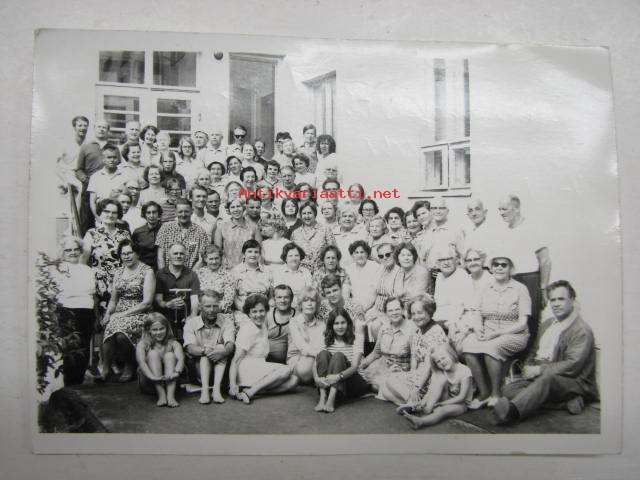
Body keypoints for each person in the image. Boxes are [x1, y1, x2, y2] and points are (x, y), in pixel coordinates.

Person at [493, 280, 599, 424]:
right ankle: (563, 403)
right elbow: (534, 350)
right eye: (552, 300)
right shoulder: (547, 324)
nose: (556, 304)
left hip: (574, 382)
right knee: (508, 390)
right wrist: (528, 366)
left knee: (547, 380)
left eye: (561, 299)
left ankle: (512, 413)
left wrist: (539, 370)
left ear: (572, 300)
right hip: (545, 376)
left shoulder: (581, 330)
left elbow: (572, 365)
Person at [461, 256, 531, 407]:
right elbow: (477, 312)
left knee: (491, 348)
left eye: (503, 265)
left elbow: (522, 323)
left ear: (510, 269)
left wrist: (498, 333)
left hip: (514, 334)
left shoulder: (520, 289)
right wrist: (478, 329)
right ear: (491, 268)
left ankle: (496, 394)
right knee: (467, 345)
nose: (499, 267)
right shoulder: (484, 288)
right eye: (496, 264)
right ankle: (484, 393)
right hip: (488, 332)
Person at [497, 194, 552, 345]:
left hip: (530, 280)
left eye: (504, 209)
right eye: (499, 209)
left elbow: (545, 260)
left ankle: (530, 355)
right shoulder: (505, 231)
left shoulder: (532, 228)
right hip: (511, 280)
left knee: (530, 320)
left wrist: (543, 288)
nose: (501, 213)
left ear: (516, 208)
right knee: (512, 319)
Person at [99, 240, 155, 382]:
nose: (127, 256)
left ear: (137, 254)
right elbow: (113, 300)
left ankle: (129, 365)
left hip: (140, 312)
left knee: (121, 334)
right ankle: (105, 369)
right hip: (119, 312)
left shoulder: (147, 271)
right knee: (109, 327)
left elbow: (147, 302)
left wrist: (121, 315)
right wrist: (108, 314)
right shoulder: (118, 272)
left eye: (130, 253)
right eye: (123, 254)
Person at [229, 294, 299, 404]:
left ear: (266, 311)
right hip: (246, 369)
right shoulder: (247, 329)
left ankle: (254, 390)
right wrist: (232, 385)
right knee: (286, 370)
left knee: (294, 381)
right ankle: (250, 392)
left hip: (258, 366)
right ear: (248, 313)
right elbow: (236, 360)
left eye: (261, 311)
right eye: (254, 312)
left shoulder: (263, 326)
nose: (258, 315)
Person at [383, 296, 448, 405]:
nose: (416, 317)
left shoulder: (436, 332)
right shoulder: (417, 331)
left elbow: (428, 366)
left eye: (420, 313)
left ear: (429, 312)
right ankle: (412, 402)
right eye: (413, 313)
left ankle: (412, 402)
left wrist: (417, 387)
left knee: (390, 386)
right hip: (419, 376)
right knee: (385, 388)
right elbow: (414, 357)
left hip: (432, 378)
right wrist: (411, 375)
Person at [51, 236, 97, 385]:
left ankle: (79, 381)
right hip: (67, 312)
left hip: (86, 311)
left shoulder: (88, 270)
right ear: (63, 252)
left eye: (76, 249)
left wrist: (72, 291)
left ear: (81, 251)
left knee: (84, 347)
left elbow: (90, 291)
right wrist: (76, 292)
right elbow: (60, 292)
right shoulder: (57, 269)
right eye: (68, 250)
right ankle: (69, 383)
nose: (72, 252)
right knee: (69, 348)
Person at [397, 343, 473, 429]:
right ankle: (421, 406)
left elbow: (461, 397)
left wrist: (441, 404)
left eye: (443, 358)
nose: (442, 362)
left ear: (451, 355)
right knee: (438, 380)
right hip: (447, 398)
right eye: (438, 361)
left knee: (441, 410)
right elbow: (432, 389)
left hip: (461, 404)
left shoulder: (464, 371)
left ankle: (421, 421)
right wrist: (425, 400)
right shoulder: (442, 371)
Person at [183, 290, 235, 404]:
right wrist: (206, 350)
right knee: (204, 354)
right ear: (200, 307)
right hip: (198, 372)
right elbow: (190, 348)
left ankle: (216, 390)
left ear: (219, 305)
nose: (212, 310)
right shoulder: (191, 323)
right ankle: (205, 391)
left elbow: (230, 344)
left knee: (221, 347)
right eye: (207, 306)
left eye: (215, 306)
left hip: (221, 371)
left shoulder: (226, 321)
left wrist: (223, 352)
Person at [313, 308, 369, 412]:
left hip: (353, 382)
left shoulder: (357, 337)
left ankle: (331, 400)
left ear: (348, 323)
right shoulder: (325, 337)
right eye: (336, 323)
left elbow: (354, 367)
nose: (340, 327)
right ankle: (322, 397)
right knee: (323, 354)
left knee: (338, 356)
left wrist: (338, 377)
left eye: (343, 322)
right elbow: (316, 362)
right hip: (333, 381)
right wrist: (316, 378)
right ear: (331, 325)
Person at [360, 296, 417, 396]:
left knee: (379, 386)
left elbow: (415, 358)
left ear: (403, 310)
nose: (394, 313)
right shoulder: (384, 328)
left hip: (401, 370)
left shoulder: (412, 329)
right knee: (359, 377)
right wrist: (360, 366)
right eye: (390, 310)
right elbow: (376, 353)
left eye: (397, 309)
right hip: (382, 367)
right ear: (386, 313)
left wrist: (412, 377)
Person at [82, 199, 132, 307]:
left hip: (121, 283)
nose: (110, 215)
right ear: (100, 212)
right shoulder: (91, 234)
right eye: (106, 211)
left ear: (118, 215)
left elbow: (130, 260)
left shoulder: (125, 234)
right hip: (99, 285)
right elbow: (83, 263)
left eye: (114, 212)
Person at [136, 313, 185, 407]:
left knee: (170, 355)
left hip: (172, 382)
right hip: (150, 382)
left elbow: (181, 359)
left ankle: (170, 396)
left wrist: (177, 372)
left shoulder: (174, 343)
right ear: (148, 330)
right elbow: (142, 363)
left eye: (162, 329)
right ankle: (161, 394)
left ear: (167, 328)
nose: (158, 332)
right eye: (155, 330)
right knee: (153, 354)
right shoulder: (143, 344)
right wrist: (152, 377)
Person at [431, 246, 475, 347]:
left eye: (449, 259)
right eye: (442, 260)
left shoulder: (462, 275)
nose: (446, 262)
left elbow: (461, 308)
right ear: (437, 263)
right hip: (440, 321)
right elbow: (439, 304)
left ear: (456, 260)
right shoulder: (439, 277)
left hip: (459, 321)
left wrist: (451, 324)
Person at [155, 242, 201, 338]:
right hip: (165, 315)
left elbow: (195, 300)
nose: (178, 256)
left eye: (181, 253)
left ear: (186, 257)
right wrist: (167, 304)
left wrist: (192, 317)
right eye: (175, 253)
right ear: (168, 256)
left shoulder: (192, 275)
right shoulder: (160, 274)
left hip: (186, 316)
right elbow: (158, 300)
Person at [75, 119, 112, 233]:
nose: (101, 129)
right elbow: (79, 169)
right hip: (90, 186)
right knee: (87, 218)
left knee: (107, 215)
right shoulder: (86, 146)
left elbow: (119, 165)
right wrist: (85, 180)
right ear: (94, 129)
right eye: (99, 127)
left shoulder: (112, 147)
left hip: (108, 185)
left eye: (104, 127)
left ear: (108, 130)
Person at [364, 242, 404, 340]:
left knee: (375, 326)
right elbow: (373, 292)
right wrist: (364, 308)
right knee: (359, 319)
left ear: (394, 254)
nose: (385, 258)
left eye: (388, 254)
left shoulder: (400, 271)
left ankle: (380, 348)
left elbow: (396, 298)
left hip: (390, 311)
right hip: (376, 309)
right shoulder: (381, 269)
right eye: (381, 256)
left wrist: (379, 314)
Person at [156, 198, 209, 270]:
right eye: (180, 212)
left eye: (186, 211)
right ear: (175, 212)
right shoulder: (165, 228)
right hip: (167, 274)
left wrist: (190, 275)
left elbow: (201, 260)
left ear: (192, 211)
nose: (183, 215)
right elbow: (160, 257)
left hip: (191, 273)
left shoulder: (200, 232)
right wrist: (164, 275)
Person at [287, 286, 325, 383]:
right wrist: (321, 355)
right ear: (300, 304)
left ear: (317, 304)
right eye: (305, 300)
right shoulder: (294, 322)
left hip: (315, 358)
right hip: (297, 359)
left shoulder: (321, 324)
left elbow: (321, 346)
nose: (309, 304)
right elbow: (302, 347)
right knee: (306, 367)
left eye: (313, 300)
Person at [214, 197, 262, 269]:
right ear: (228, 210)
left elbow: (259, 250)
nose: (236, 210)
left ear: (244, 208)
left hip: (248, 269)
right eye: (232, 207)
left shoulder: (254, 227)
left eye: (238, 206)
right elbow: (217, 251)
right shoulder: (221, 227)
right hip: (228, 268)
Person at [290, 201, 335, 274]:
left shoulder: (325, 230)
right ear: (301, 215)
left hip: (322, 272)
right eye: (304, 213)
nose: (307, 216)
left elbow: (333, 252)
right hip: (301, 273)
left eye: (309, 213)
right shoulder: (295, 233)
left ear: (315, 214)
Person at [87, 145, 126, 223]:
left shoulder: (124, 175)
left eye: (114, 157)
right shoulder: (95, 177)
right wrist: (98, 218)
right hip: (102, 219)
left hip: (121, 218)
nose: (112, 160)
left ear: (118, 159)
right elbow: (92, 202)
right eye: (109, 157)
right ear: (103, 159)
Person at [230, 239, 273, 311]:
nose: (253, 255)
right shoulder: (235, 272)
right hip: (243, 309)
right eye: (249, 251)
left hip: (264, 310)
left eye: (256, 252)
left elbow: (271, 297)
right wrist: (245, 310)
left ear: (259, 254)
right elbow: (234, 297)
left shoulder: (267, 271)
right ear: (244, 254)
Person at [195, 244, 234, 312]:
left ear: (220, 258)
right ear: (205, 259)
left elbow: (228, 298)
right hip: (201, 310)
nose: (214, 262)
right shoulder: (199, 273)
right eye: (211, 259)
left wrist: (215, 309)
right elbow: (194, 294)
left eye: (216, 258)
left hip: (219, 310)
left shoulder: (227, 275)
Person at [345, 240, 380, 313]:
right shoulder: (349, 269)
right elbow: (346, 291)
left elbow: (373, 292)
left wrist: (363, 308)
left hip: (372, 307)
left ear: (367, 253)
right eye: (356, 252)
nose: (359, 255)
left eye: (362, 252)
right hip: (354, 307)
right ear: (352, 255)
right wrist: (351, 307)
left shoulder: (375, 267)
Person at [266, 284, 296, 364]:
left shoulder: (298, 316)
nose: (283, 300)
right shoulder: (267, 315)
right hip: (265, 360)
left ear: (291, 299)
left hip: (289, 362)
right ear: (274, 299)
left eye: (286, 297)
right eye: (279, 297)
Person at [132, 201, 162, 269]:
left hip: (162, 269)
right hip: (143, 268)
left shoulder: (165, 230)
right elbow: (134, 253)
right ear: (144, 215)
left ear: (158, 213)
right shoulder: (138, 232)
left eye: (154, 212)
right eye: (148, 213)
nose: (151, 216)